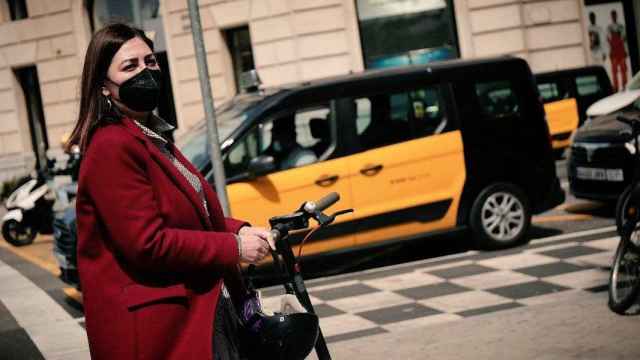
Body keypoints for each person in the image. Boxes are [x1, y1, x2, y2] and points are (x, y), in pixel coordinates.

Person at [66, 23, 270, 360]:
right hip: (158, 330)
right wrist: (233, 246)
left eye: (151, 62)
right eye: (130, 66)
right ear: (104, 86)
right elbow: (147, 243)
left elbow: (188, 213)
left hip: (194, 315)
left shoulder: (150, 135)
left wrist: (241, 230)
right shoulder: (111, 146)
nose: (145, 72)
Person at [607, 9, 628, 92]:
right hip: (614, 52)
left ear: (616, 16)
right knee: (614, 72)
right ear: (611, 17)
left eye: (615, 15)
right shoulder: (609, 28)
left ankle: (625, 86)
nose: (614, 16)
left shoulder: (621, 26)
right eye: (613, 15)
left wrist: (625, 51)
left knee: (623, 71)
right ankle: (616, 88)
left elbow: (624, 39)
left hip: (621, 51)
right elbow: (608, 40)